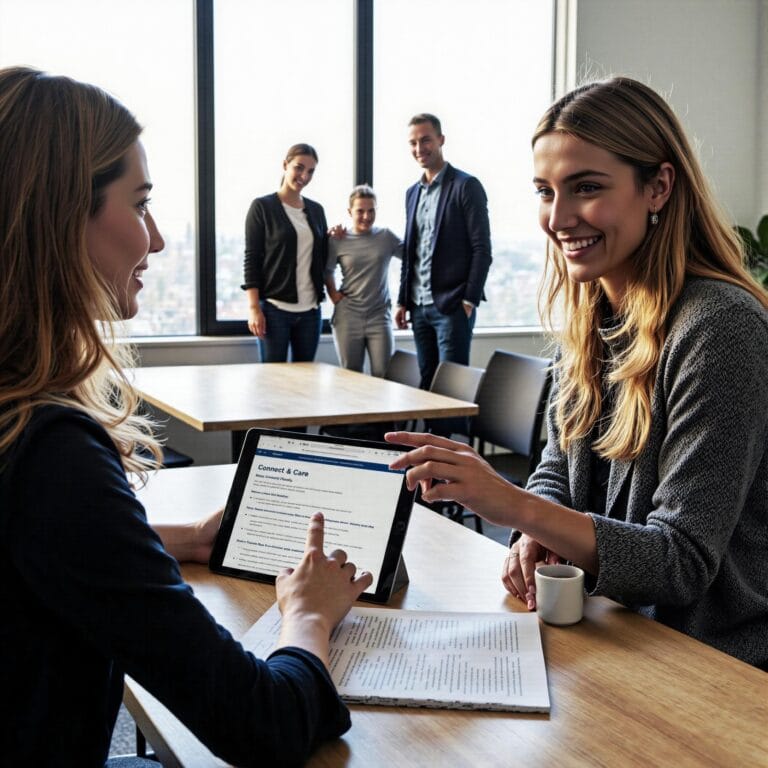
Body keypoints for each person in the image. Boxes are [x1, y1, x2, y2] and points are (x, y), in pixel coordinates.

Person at [0, 67, 373, 767]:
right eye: (140, 205)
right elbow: (262, 725)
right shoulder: (50, 451)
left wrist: (180, 540)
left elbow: (37, 543)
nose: (158, 240)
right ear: (61, 217)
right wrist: (309, 613)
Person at [387, 77, 768, 669]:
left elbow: (682, 563)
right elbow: (557, 469)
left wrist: (517, 508)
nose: (558, 217)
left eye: (586, 188)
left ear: (658, 187)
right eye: (545, 191)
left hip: (711, 666)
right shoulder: (594, 314)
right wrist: (536, 531)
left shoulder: (720, 327)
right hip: (615, 637)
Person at [395, 113, 492, 389]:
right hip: (418, 307)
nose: (419, 148)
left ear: (441, 140)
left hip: (452, 307)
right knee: (426, 385)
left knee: (451, 388)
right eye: (413, 142)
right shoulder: (412, 193)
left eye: (425, 140)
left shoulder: (466, 186)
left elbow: (482, 249)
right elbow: (411, 252)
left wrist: (469, 300)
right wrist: (403, 301)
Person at [243, 143, 328, 362]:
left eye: (310, 171)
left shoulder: (317, 210)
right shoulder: (262, 207)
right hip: (274, 311)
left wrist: (336, 237)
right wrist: (254, 308)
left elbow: (323, 255)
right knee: (273, 376)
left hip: (310, 312)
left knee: (306, 376)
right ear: (285, 165)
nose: (304, 176)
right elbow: (252, 259)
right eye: (299, 167)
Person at [325, 184, 403, 377]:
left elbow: (414, 257)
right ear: (349, 212)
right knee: (351, 377)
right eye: (360, 211)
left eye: (371, 211)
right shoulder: (338, 240)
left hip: (379, 316)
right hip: (348, 316)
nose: (366, 216)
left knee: (384, 375)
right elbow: (327, 270)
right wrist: (333, 295)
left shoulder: (386, 237)